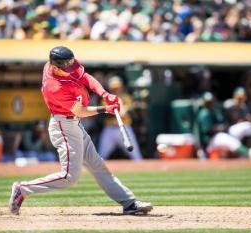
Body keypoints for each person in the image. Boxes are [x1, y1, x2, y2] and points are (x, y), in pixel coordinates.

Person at [9, 46, 152, 215]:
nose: (71, 71)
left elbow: (85, 77)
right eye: (66, 69)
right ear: (54, 67)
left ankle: (129, 203)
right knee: (69, 177)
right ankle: (23, 189)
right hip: (63, 126)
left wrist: (105, 93)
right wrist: (105, 108)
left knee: (98, 166)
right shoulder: (53, 86)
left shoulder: (64, 64)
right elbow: (80, 111)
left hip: (74, 124)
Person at [195, 92, 251, 160]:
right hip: (210, 143)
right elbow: (208, 131)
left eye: (210, 102)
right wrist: (220, 128)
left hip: (222, 134)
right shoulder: (204, 113)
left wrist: (223, 127)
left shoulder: (214, 111)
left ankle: (246, 152)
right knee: (226, 138)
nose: (210, 104)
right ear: (204, 102)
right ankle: (249, 153)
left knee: (248, 126)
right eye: (207, 102)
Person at [97, 76, 143, 160]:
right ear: (110, 89)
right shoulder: (105, 99)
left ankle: (143, 170)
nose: (116, 90)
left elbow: (127, 111)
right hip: (109, 129)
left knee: (136, 155)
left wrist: (127, 109)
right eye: (114, 88)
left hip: (125, 128)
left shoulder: (126, 98)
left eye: (118, 88)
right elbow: (105, 113)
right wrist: (118, 111)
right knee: (101, 155)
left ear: (122, 88)